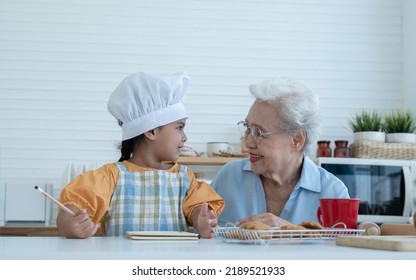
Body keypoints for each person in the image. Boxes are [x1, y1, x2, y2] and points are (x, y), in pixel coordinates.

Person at [57, 71, 224, 238]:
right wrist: (69, 224)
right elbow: (74, 207)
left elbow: (196, 208)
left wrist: (200, 220)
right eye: (179, 127)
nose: (185, 136)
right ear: (151, 131)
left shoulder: (184, 178)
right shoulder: (110, 177)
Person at [211, 76, 349, 227]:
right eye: (247, 128)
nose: (248, 142)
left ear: (296, 140)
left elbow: (341, 248)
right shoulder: (228, 178)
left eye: (259, 133)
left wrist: (289, 232)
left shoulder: (333, 192)